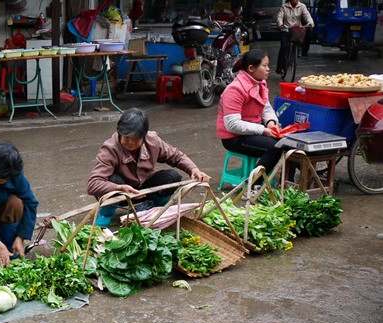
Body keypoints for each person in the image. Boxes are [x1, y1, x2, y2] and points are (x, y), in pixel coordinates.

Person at [87, 108, 211, 227]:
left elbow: (176, 156)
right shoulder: (110, 148)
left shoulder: (153, 141)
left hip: (144, 190)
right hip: (122, 195)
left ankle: (154, 210)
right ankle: (105, 215)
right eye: (126, 138)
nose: (130, 143)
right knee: (114, 180)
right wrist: (119, 188)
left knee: (172, 176)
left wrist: (193, 169)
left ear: (144, 136)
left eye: (136, 139)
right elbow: (93, 184)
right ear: (120, 133)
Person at [217, 49, 282, 183]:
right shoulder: (235, 90)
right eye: (264, 66)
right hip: (234, 137)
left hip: (252, 131)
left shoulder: (260, 83)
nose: (268, 69)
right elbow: (233, 125)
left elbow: (266, 107)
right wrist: (263, 130)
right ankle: (253, 185)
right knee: (274, 148)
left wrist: (271, 122)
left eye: (268, 65)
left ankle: (287, 181)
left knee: (287, 143)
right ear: (251, 68)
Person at [275, 0, 314, 74]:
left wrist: (311, 22)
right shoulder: (284, 7)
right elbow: (279, 17)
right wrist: (280, 24)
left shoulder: (302, 6)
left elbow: (307, 15)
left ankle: (296, 52)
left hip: (296, 30)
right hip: (286, 30)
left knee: (301, 41)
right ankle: (281, 67)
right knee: (284, 47)